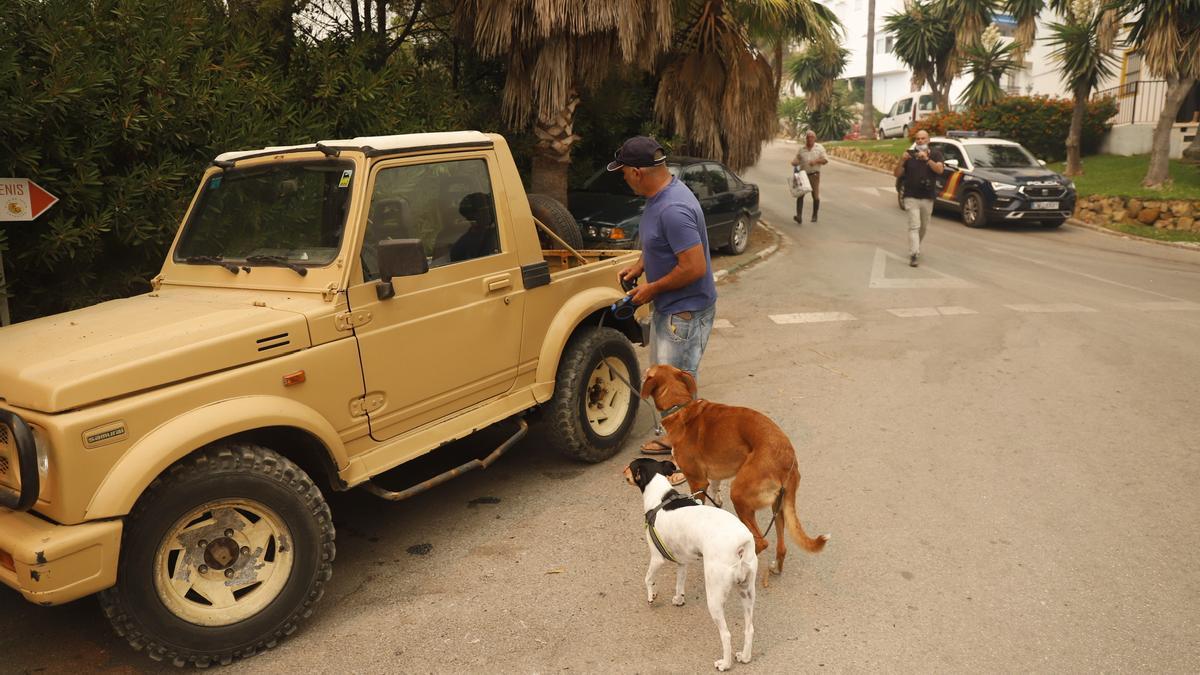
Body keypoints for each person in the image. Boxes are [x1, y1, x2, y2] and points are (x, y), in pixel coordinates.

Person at [611, 136, 717, 456]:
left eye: (624, 172)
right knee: (667, 376)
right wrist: (641, 264)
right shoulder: (661, 194)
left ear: (638, 172)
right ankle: (681, 438)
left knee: (675, 387)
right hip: (672, 307)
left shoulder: (673, 209)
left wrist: (651, 290)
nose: (624, 178)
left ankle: (685, 451)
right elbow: (661, 244)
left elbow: (694, 267)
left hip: (683, 312)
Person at [892, 129, 944, 267]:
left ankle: (916, 246)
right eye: (918, 139)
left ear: (928, 140)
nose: (920, 141)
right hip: (911, 196)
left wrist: (927, 159)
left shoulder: (935, 154)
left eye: (923, 138)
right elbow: (896, 174)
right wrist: (902, 160)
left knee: (923, 227)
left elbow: (939, 170)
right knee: (914, 226)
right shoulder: (909, 155)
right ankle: (914, 254)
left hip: (927, 197)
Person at [790, 129, 828, 223]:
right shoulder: (802, 149)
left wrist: (815, 161)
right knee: (800, 195)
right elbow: (797, 159)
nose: (809, 139)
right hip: (803, 175)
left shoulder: (819, 148)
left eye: (811, 137)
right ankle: (799, 216)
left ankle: (814, 215)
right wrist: (794, 162)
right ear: (806, 139)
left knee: (815, 196)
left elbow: (825, 160)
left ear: (815, 138)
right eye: (808, 137)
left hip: (814, 175)